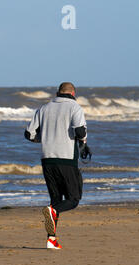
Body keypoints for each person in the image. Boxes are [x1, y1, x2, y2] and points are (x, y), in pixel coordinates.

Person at [24, 82, 87, 249]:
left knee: (55, 200)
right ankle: (51, 223)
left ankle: (51, 240)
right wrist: (83, 142)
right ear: (73, 93)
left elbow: (28, 134)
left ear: (58, 92)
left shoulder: (44, 108)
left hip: (47, 159)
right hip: (66, 159)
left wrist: (44, 138)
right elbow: (80, 132)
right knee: (73, 200)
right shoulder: (75, 107)